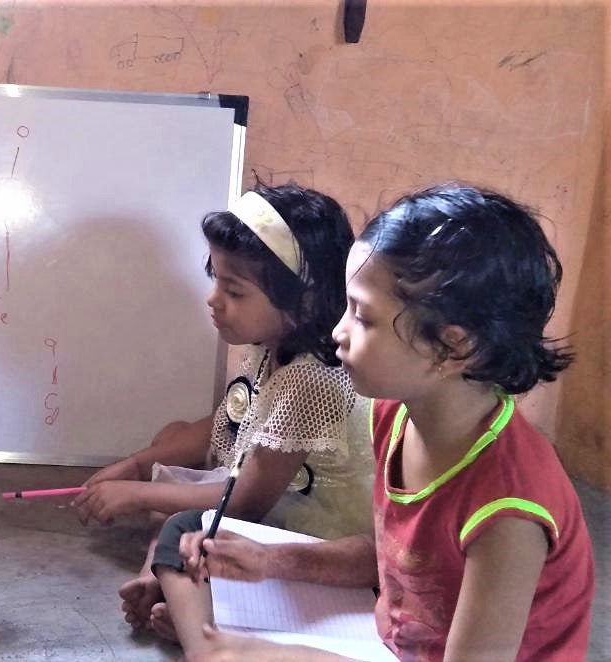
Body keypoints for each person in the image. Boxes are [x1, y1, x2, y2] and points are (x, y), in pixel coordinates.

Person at [169, 185, 594, 661]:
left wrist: (286, 655)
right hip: (393, 643)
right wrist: (269, 560)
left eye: (362, 316)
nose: (337, 331)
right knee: (186, 541)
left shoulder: (508, 508)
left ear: (451, 348)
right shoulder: (393, 415)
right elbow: (389, 561)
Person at [79, 184, 373, 639]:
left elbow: (246, 503)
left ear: (304, 299)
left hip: (304, 529)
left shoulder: (312, 379)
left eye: (233, 290)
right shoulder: (269, 345)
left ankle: (198, 611)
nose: (214, 300)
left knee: (187, 521)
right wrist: (138, 464)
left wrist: (136, 493)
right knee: (172, 441)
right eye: (215, 279)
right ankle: (157, 576)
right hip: (260, 493)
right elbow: (225, 422)